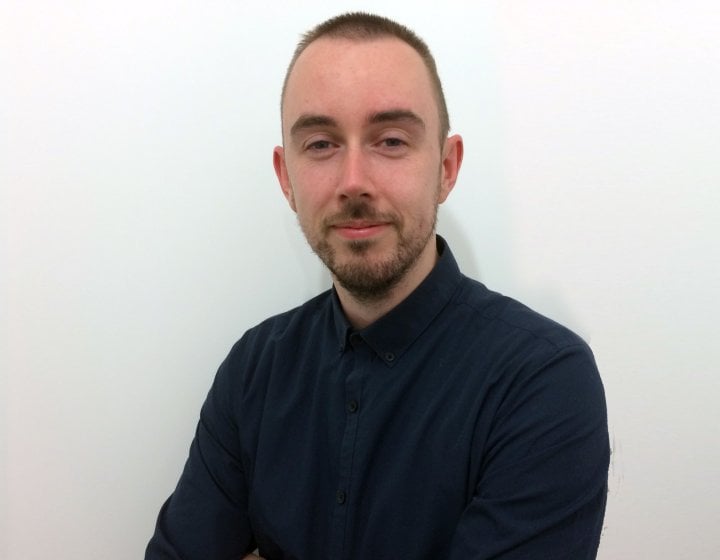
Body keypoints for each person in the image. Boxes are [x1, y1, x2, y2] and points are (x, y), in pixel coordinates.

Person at [146, 12, 609, 560]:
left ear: (446, 167)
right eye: (320, 145)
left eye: (390, 140)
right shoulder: (254, 371)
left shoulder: (541, 380)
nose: (353, 182)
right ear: (285, 177)